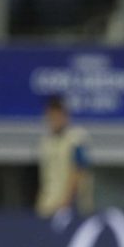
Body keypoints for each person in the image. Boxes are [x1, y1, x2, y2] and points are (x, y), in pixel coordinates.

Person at [35, 96, 93, 226]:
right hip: (47, 206)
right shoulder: (46, 142)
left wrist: (66, 202)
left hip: (72, 208)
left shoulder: (76, 139)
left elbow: (79, 170)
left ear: (65, 115)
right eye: (51, 116)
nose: (55, 120)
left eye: (58, 115)